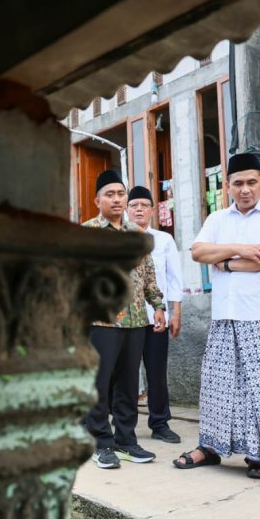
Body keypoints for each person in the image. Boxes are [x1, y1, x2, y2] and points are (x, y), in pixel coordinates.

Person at [175, 153, 260, 479]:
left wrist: (227, 261)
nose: (244, 189)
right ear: (227, 186)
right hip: (226, 316)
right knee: (218, 386)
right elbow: (199, 252)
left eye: (251, 182)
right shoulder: (218, 218)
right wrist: (244, 249)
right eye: (237, 183)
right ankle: (211, 447)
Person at [83, 169, 166, 469]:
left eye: (120, 194)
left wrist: (157, 305)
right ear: (97, 200)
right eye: (110, 194)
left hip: (135, 321)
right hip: (101, 322)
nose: (117, 199)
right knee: (99, 384)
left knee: (129, 385)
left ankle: (126, 441)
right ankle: (101, 444)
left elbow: (149, 274)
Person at [126, 186, 184, 444]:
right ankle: (123, 425)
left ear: (151, 210)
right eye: (134, 205)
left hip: (156, 318)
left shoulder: (164, 240)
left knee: (157, 372)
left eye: (143, 205)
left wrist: (176, 312)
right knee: (124, 374)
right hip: (124, 321)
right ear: (127, 210)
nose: (139, 209)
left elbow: (174, 278)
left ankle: (160, 423)